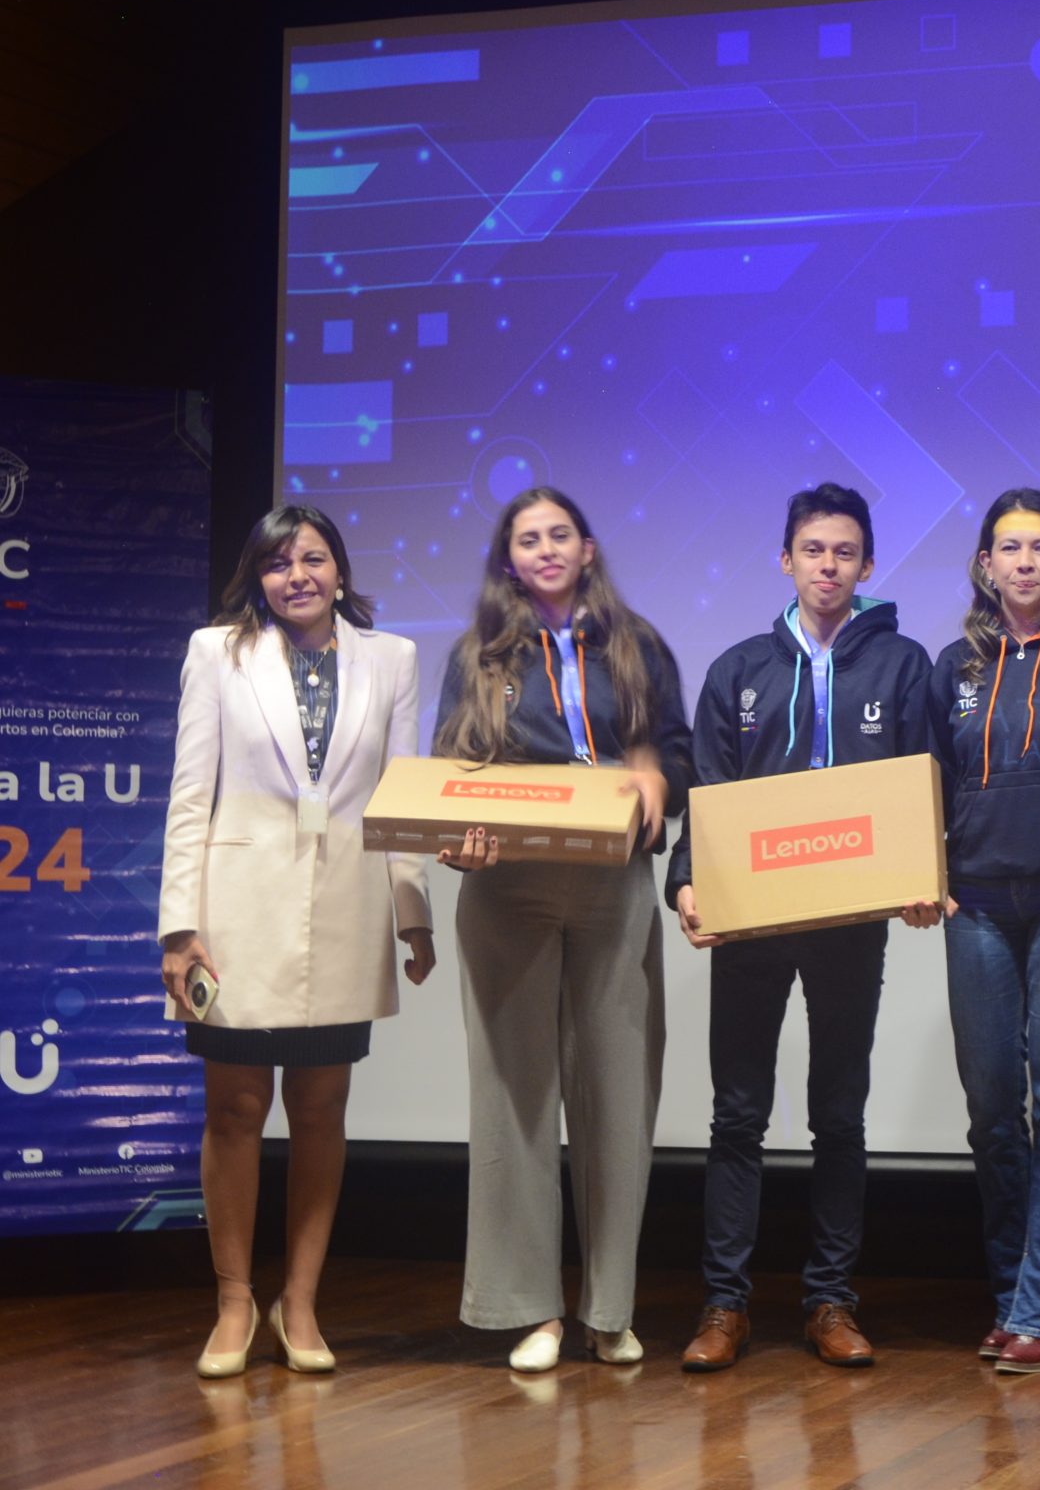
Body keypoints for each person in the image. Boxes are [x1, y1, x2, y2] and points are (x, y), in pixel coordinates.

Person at [160, 505, 435, 1377]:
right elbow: (189, 796)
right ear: (259, 577)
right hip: (234, 913)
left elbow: (401, 798)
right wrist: (178, 927)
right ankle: (234, 1302)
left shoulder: (392, 659)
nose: (297, 576)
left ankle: (302, 1303)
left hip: (346, 911)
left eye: (313, 558)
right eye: (278, 564)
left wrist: (414, 916)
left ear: (340, 572)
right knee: (235, 1111)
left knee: (321, 1113)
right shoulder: (218, 652)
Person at [669, 484, 937, 1374]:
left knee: (839, 1115)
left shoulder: (901, 666)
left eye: (845, 552)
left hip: (851, 925)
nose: (829, 566)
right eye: (813, 550)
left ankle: (830, 1301)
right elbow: (705, 797)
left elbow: (921, 789)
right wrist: (688, 886)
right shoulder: (738, 670)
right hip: (751, 923)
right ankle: (724, 1305)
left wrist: (922, 877)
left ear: (867, 566)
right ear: (786, 560)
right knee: (737, 1114)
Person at [434, 485, 692, 1373]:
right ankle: (529, 1308)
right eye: (527, 540)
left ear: (587, 548)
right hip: (505, 888)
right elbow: (450, 769)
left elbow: (677, 750)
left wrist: (660, 778)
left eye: (560, 536)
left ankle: (609, 1308)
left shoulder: (637, 644)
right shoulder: (479, 655)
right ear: (509, 560)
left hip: (613, 885)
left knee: (620, 1094)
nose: (545, 550)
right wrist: (456, 841)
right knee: (513, 1096)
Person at [928, 490, 1040, 1375]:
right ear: (986, 564)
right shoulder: (952, 668)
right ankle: (1009, 1293)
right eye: (1010, 547)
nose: (1027, 562)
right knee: (994, 1111)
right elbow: (923, 786)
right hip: (974, 909)